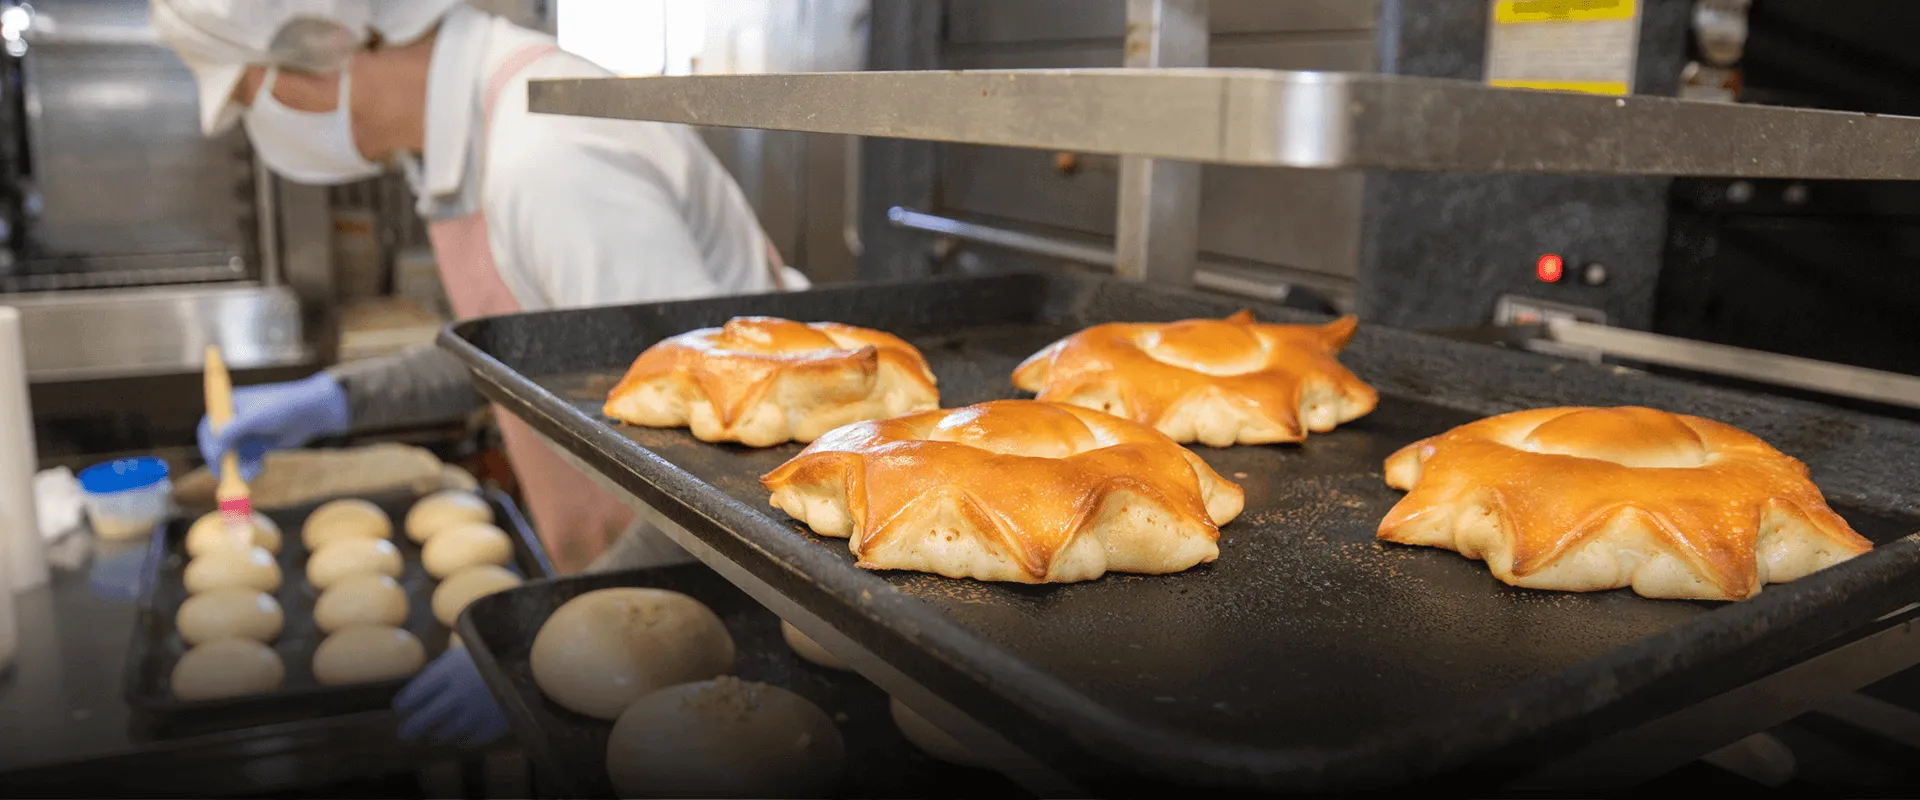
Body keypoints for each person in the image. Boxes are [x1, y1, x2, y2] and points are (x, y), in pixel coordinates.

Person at [150, 0, 804, 747]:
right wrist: (340, 399)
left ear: (324, 43)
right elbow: (538, 349)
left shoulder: (555, 161)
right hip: (632, 569)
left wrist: (542, 634)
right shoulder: (482, 136)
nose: (256, 125)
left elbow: (718, 466)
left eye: (246, 98)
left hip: (723, 595)